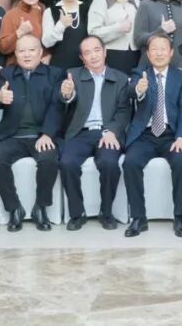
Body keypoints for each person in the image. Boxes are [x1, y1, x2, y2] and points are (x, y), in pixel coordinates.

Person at [0, 35, 64, 231]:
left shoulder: (55, 74)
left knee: (48, 160)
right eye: (21, 51)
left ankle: (41, 208)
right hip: (13, 136)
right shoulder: (7, 74)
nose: (27, 54)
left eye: (31, 50)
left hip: (41, 135)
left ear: (40, 52)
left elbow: (57, 106)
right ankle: (14, 209)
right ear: (15, 53)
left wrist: (47, 134)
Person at [122, 33, 182, 238]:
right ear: (148, 53)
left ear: (171, 53)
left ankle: (179, 217)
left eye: (163, 49)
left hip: (172, 135)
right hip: (145, 135)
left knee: (181, 162)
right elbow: (130, 91)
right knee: (130, 163)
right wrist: (139, 90)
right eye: (154, 49)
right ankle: (138, 218)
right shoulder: (140, 73)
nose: (159, 53)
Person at [59, 36, 132, 230]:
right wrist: (67, 95)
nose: (93, 56)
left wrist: (112, 131)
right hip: (79, 133)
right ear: (82, 58)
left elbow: (124, 111)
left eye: (97, 50)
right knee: (67, 163)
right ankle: (77, 213)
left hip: (107, 133)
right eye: (87, 53)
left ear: (105, 52)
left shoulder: (120, 78)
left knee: (109, 164)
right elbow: (65, 100)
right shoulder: (72, 75)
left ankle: (106, 212)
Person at [87, 0, 141, 72]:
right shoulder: (100, 0)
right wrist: (118, 28)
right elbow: (93, 32)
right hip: (111, 54)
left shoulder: (135, 0)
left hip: (135, 54)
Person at [42, 0, 89, 70]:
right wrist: (61, 25)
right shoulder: (50, 11)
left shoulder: (88, 9)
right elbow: (46, 42)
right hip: (58, 67)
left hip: (84, 67)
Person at [0, 0, 45, 67]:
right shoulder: (11, 15)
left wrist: (49, 55)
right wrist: (19, 33)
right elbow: (3, 47)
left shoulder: (46, 11)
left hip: (43, 68)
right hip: (17, 68)